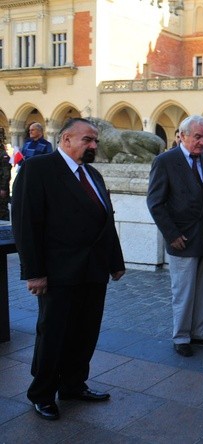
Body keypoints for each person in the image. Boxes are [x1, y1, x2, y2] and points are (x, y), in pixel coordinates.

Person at [11, 118, 126, 421]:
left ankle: (74, 384)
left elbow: (106, 223)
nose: (94, 145)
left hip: (93, 270)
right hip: (57, 272)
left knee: (85, 331)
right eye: (88, 139)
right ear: (66, 139)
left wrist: (115, 262)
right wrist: (34, 272)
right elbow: (26, 224)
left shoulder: (94, 175)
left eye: (95, 141)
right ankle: (42, 393)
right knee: (54, 334)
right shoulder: (38, 169)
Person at [146, 115, 203, 358]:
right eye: (198, 137)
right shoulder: (165, 161)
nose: (202, 142)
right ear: (182, 136)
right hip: (181, 238)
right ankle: (181, 336)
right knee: (183, 290)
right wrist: (171, 234)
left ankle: (200, 332)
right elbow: (156, 203)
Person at [0, 129, 11, 220]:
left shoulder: (3, 154)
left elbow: (6, 173)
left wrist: (3, 188)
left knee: (2, 211)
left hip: (1, 187)